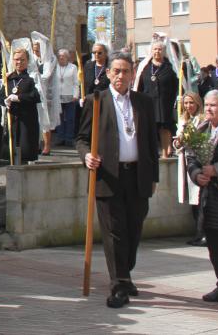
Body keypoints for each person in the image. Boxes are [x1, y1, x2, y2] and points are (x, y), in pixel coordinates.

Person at [77, 51, 159, 309]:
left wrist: (154, 176)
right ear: (109, 73)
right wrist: (86, 155)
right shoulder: (96, 101)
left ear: (133, 73)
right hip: (109, 176)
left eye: (126, 71)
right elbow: (81, 138)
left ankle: (126, 273)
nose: (121, 76)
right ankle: (118, 284)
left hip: (138, 176)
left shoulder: (144, 102)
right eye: (116, 71)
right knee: (115, 234)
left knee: (134, 230)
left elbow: (150, 142)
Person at [187, 90, 218, 307]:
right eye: (206, 105)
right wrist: (198, 175)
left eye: (213, 105)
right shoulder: (202, 129)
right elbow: (192, 158)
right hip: (209, 197)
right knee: (214, 245)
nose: (208, 109)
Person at [134, 40, 179, 158]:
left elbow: (176, 86)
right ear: (151, 51)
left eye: (159, 49)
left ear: (164, 51)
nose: (157, 51)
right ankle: (152, 154)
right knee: (150, 129)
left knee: (164, 128)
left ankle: (165, 154)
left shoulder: (170, 68)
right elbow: (139, 86)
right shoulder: (145, 67)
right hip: (149, 103)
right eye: (155, 49)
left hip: (165, 103)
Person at [175, 92, 207, 246]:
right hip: (186, 160)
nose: (188, 106)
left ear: (197, 103)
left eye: (191, 103)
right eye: (186, 103)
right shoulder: (184, 119)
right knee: (193, 201)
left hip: (198, 161)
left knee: (200, 199)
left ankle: (203, 233)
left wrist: (190, 138)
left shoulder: (202, 120)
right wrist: (178, 143)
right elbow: (178, 139)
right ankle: (198, 232)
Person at [3, 47, 41, 165]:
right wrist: (5, 101)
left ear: (27, 61)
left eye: (22, 60)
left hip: (27, 118)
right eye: (16, 60)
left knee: (25, 149)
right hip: (12, 117)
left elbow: (35, 96)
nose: (19, 62)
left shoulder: (32, 77)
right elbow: (0, 96)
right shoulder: (8, 79)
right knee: (12, 150)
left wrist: (18, 98)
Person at [30, 33, 59, 156]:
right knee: (35, 119)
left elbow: (46, 76)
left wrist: (35, 76)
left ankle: (47, 146)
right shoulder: (34, 59)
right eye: (34, 50)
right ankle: (35, 144)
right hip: (35, 91)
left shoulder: (51, 59)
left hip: (46, 93)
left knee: (45, 120)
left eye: (37, 50)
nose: (35, 52)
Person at [54, 49, 79, 147]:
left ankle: (69, 138)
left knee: (70, 118)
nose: (61, 57)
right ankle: (60, 138)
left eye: (63, 56)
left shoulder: (73, 67)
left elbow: (76, 83)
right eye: (59, 56)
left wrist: (76, 95)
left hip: (70, 96)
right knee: (58, 119)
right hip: (57, 97)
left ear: (67, 57)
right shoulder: (55, 67)